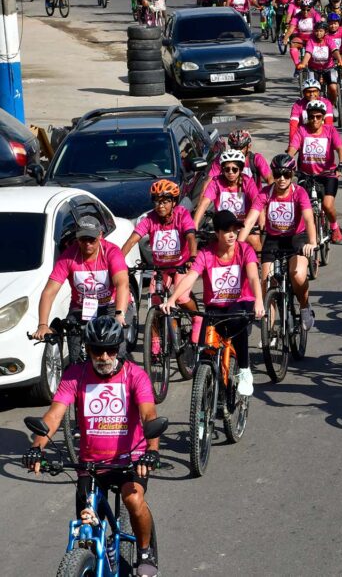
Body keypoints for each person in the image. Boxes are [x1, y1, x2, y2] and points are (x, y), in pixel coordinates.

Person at [23, 315, 162, 577]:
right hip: (90, 464)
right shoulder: (75, 375)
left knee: (133, 500)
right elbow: (53, 416)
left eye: (111, 349)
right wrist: (37, 447)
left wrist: (151, 452)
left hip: (130, 461)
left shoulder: (136, 376)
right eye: (98, 349)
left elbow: (149, 416)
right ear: (87, 349)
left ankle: (144, 550)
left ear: (119, 348)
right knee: (87, 524)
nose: (105, 356)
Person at [161, 210, 265, 397]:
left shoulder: (244, 249)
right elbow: (190, 277)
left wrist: (258, 300)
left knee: (237, 323)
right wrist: (172, 299)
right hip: (215, 307)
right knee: (204, 350)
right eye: (227, 231)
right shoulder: (206, 253)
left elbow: (253, 277)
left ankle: (244, 370)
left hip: (240, 303)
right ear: (217, 233)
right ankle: (207, 390)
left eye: (235, 230)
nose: (232, 234)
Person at [238, 154, 318, 331]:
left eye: (286, 174)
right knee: (266, 282)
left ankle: (304, 307)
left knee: (297, 275)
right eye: (277, 174)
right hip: (274, 239)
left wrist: (312, 242)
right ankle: (270, 329)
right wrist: (238, 245)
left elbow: (309, 218)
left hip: (298, 238)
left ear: (292, 174)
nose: (281, 179)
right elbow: (250, 220)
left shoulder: (299, 192)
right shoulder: (266, 193)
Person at [33, 216, 131, 352]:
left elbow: (122, 284)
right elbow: (49, 292)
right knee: (75, 353)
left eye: (92, 239)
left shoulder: (111, 252)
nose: (88, 244)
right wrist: (42, 324)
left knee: (115, 351)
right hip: (81, 307)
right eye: (83, 239)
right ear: (77, 238)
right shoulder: (68, 257)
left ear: (100, 235)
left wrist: (119, 314)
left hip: (112, 305)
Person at [121, 180, 199, 324]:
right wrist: (119, 261)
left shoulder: (182, 215)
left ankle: (197, 320)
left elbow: (190, 236)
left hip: (181, 266)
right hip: (160, 268)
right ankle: (156, 342)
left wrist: (193, 256)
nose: (160, 206)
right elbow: (132, 240)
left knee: (181, 298)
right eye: (157, 202)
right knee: (155, 302)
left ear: (174, 202)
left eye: (165, 202)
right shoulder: (150, 219)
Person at [287, 100, 342, 244]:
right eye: (312, 116)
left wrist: (341, 163)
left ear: (323, 117)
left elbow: (339, 148)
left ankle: (334, 227)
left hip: (328, 175)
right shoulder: (302, 130)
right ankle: (309, 240)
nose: (315, 120)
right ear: (307, 116)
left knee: (327, 205)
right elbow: (292, 149)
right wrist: (288, 163)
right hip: (306, 175)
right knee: (303, 208)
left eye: (318, 117)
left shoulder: (330, 130)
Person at [193, 149, 262, 251]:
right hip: (223, 226)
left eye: (234, 169)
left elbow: (257, 202)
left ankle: (258, 265)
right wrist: (194, 224)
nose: (230, 172)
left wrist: (261, 222)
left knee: (254, 240)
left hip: (242, 225)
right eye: (227, 169)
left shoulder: (248, 181)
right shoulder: (216, 182)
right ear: (222, 169)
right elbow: (204, 202)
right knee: (209, 246)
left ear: (240, 169)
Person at [296, 20, 342, 105]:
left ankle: (331, 106)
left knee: (333, 88)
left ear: (325, 32)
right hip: (313, 69)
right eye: (317, 31)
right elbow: (308, 53)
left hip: (329, 68)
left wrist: (340, 61)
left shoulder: (329, 39)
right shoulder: (311, 41)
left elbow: (335, 51)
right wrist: (303, 63)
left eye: (321, 31)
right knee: (313, 90)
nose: (318, 33)